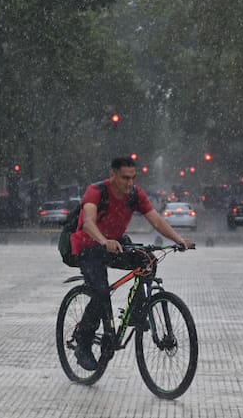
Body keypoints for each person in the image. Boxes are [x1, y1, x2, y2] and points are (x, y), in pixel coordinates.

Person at [70, 156, 194, 371]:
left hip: (114, 245)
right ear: (113, 175)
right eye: (125, 178)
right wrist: (103, 240)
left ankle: (138, 309)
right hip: (88, 247)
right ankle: (83, 342)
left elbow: (156, 220)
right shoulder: (96, 191)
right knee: (100, 293)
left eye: (133, 178)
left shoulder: (135, 195)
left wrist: (178, 240)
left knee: (147, 259)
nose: (130, 183)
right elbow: (88, 222)